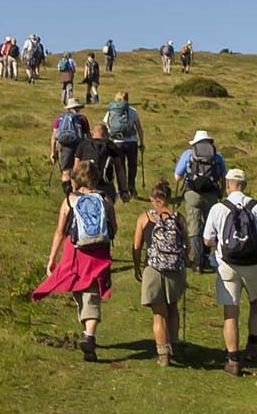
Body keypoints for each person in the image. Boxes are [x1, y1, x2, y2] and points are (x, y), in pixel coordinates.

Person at [32, 160, 118, 362]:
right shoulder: (105, 199)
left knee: (81, 290)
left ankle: (89, 334)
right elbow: (114, 227)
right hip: (98, 252)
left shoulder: (69, 201)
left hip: (75, 251)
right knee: (93, 291)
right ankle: (88, 334)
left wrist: (52, 258)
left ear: (76, 179)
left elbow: (60, 232)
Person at [203, 168, 257, 377]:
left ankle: (233, 360)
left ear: (227, 184)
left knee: (231, 313)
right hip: (253, 264)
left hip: (227, 265)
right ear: (244, 185)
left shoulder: (218, 208)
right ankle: (253, 345)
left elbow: (207, 240)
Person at [132, 180, 190, 367]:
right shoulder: (178, 218)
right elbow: (187, 245)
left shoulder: (144, 218)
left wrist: (137, 267)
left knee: (159, 315)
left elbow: (137, 246)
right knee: (172, 308)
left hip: (153, 269)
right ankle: (173, 343)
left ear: (152, 199)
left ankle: (163, 354)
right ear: (168, 198)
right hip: (174, 269)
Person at [173, 130, 226, 273]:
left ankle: (197, 262)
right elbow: (223, 175)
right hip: (211, 194)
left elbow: (177, 176)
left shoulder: (188, 154)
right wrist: (221, 192)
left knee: (194, 226)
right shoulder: (217, 156)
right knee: (210, 225)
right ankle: (207, 257)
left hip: (192, 193)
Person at [74, 123, 130, 204]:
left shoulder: (83, 145)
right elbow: (119, 169)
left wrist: (75, 188)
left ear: (92, 132)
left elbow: (76, 168)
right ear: (106, 133)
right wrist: (124, 190)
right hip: (106, 187)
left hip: (86, 187)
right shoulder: (111, 146)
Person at [103, 91, 144, 198]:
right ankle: (132, 187)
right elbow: (139, 128)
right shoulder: (133, 111)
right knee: (132, 166)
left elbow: (106, 126)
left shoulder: (111, 111)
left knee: (120, 167)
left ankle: (122, 190)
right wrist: (142, 142)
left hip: (117, 143)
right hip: (131, 142)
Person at [51, 98, 91, 195]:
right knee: (77, 170)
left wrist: (53, 151)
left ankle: (67, 191)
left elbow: (54, 136)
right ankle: (75, 190)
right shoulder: (82, 118)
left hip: (65, 146)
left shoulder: (59, 118)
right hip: (79, 146)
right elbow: (88, 135)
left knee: (65, 171)